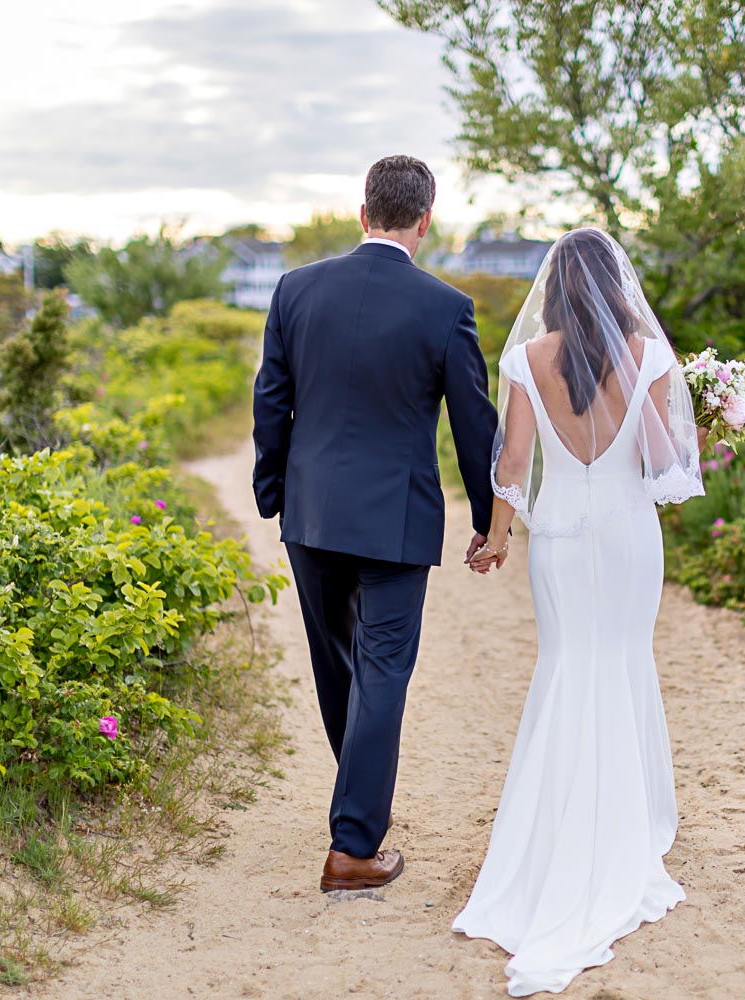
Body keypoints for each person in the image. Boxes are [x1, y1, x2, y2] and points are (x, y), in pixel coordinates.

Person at [454, 228, 705, 996]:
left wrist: (495, 542)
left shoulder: (528, 358)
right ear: (619, 284)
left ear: (555, 285)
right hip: (629, 537)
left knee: (566, 670)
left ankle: (553, 832)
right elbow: (660, 469)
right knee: (625, 663)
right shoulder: (650, 357)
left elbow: (514, 465)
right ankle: (628, 830)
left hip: (558, 542)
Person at [251, 155, 499, 893]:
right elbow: (472, 422)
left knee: (339, 666)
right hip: (395, 520)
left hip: (313, 513)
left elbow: (272, 401)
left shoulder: (295, 290)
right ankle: (353, 847)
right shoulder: (445, 307)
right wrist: (489, 519)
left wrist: (273, 491)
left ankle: (355, 813)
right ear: (426, 220)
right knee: (383, 669)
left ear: (364, 213)